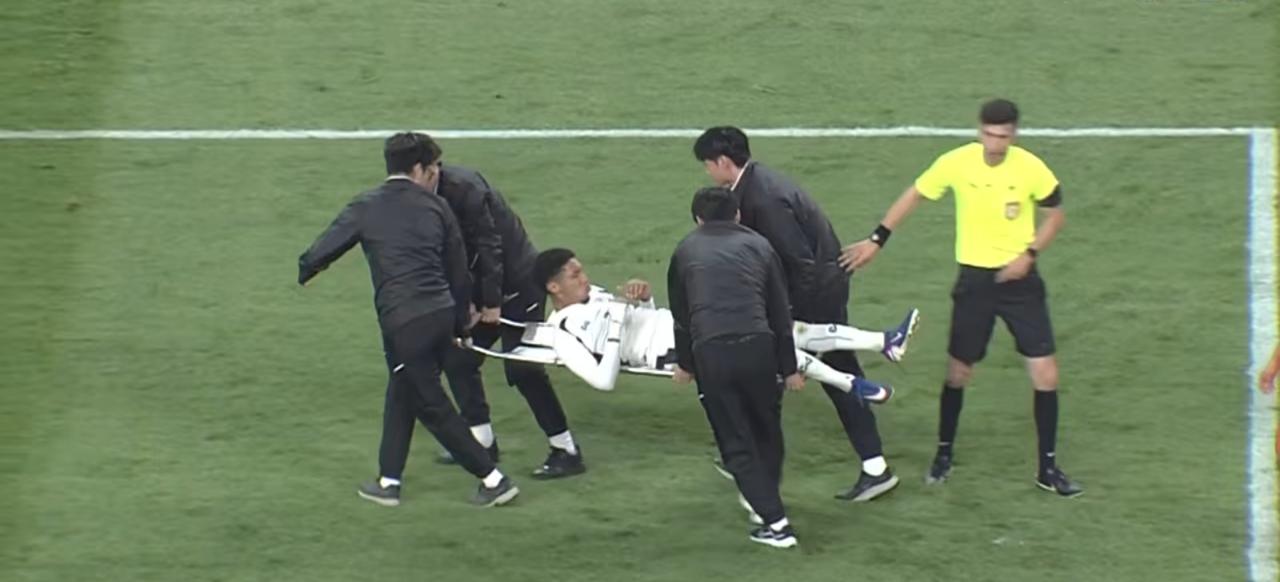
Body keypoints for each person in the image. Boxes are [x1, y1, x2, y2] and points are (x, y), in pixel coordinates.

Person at [840, 98, 1082, 497]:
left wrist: (1029, 254)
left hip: (1021, 284)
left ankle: (1048, 469)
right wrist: (877, 239)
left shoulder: (1031, 169)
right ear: (979, 130)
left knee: (1046, 375)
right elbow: (915, 194)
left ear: (1013, 135)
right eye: (989, 134)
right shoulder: (957, 163)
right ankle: (943, 453)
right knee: (958, 373)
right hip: (975, 284)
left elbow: (1056, 215)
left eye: (1002, 136)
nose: (995, 143)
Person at [297, 132, 519, 507]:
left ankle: (493, 479)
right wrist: (461, 326)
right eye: (431, 169)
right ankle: (389, 481)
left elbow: (324, 248)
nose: (434, 175)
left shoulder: (367, 205)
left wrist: (306, 269)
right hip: (440, 314)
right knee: (402, 390)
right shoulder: (438, 208)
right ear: (418, 169)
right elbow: (458, 272)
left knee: (432, 404)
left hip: (404, 321)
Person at [693, 126, 900, 502]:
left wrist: (782, 316)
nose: (707, 172)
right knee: (802, 376)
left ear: (722, 162)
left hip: (814, 296)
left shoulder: (762, 199)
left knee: (828, 376)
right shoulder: (758, 183)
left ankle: (872, 467)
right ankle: (748, 455)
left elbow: (799, 264)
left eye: (708, 164)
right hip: (820, 288)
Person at [404, 135, 583, 479]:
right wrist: (465, 304)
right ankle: (480, 442)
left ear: (429, 170)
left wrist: (490, 302)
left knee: (523, 368)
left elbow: (490, 247)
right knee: (459, 359)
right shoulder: (421, 196)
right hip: (482, 288)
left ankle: (567, 450)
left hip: (518, 284)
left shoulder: (466, 190)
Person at [524, 247, 913, 402]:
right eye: (574, 275)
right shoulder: (562, 334)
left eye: (582, 270)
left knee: (790, 328)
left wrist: (643, 299)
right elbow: (603, 380)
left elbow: (640, 318)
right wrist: (614, 326)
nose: (585, 277)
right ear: (554, 287)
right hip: (679, 350)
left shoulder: (595, 295)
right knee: (773, 346)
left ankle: (884, 342)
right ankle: (851, 385)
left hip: (687, 323)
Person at [668, 186, 800, 548]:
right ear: (737, 214)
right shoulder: (761, 246)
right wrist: (789, 367)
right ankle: (766, 506)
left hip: (713, 353)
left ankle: (776, 524)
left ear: (698, 219)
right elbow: (780, 312)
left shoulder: (685, 250)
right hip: (760, 349)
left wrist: (685, 364)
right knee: (767, 432)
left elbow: (682, 316)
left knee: (736, 442)